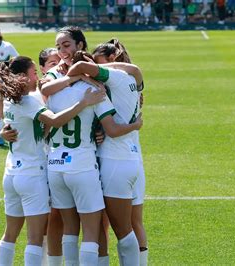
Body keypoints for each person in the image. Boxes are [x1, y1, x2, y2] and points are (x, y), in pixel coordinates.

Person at [42, 26, 144, 265]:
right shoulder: (95, 89)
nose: (61, 51)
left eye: (65, 45)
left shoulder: (56, 83)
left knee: (73, 227)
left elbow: (46, 102)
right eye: (58, 47)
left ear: (80, 45)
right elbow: (111, 125)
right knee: (98, 227)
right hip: (95, 163)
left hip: (60, 163)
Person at [0, 56, 106, 266]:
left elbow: (37, 128)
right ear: (22, 77)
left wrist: (2, 133)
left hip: (11, 173)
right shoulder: (27, 102)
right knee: (35, 239)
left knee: (9, 235)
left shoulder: (9, 100)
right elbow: (54, 121)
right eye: (33, 73)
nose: (37, 77)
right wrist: (84, 102)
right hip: (31, 175)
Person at [92, 39, 149, 266]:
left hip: (116, 158)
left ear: (112, 60)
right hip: (134, 156)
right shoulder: (131, 81)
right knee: (134, 223)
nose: (97, 71)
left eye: (99, 64)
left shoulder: (116, 82)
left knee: (107, 223)